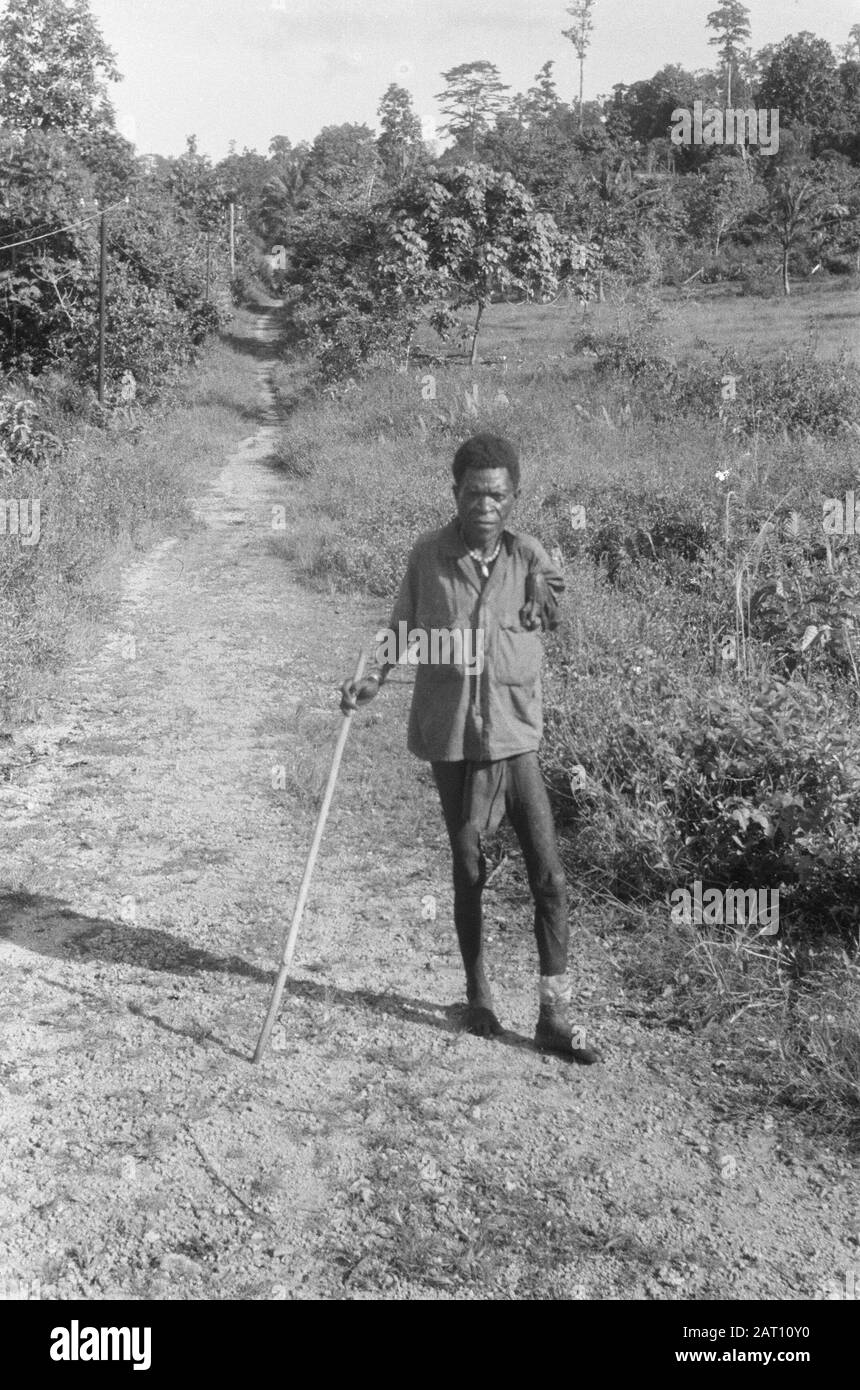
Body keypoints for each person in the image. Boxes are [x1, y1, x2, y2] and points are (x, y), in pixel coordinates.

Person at [341, 433, 600, 1064]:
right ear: (454, 492)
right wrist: (371, 676)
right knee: (468, 866)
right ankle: (478, 992)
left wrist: (539, 571)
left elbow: (553, 589)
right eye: (474, 493)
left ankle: (553, 1011)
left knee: (549, 874)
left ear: (514, 498)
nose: (486, 505)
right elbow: (400, 627)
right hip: (453, 737)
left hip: (515, 735)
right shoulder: (427, 556)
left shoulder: (529, 557)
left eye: (498, 495)